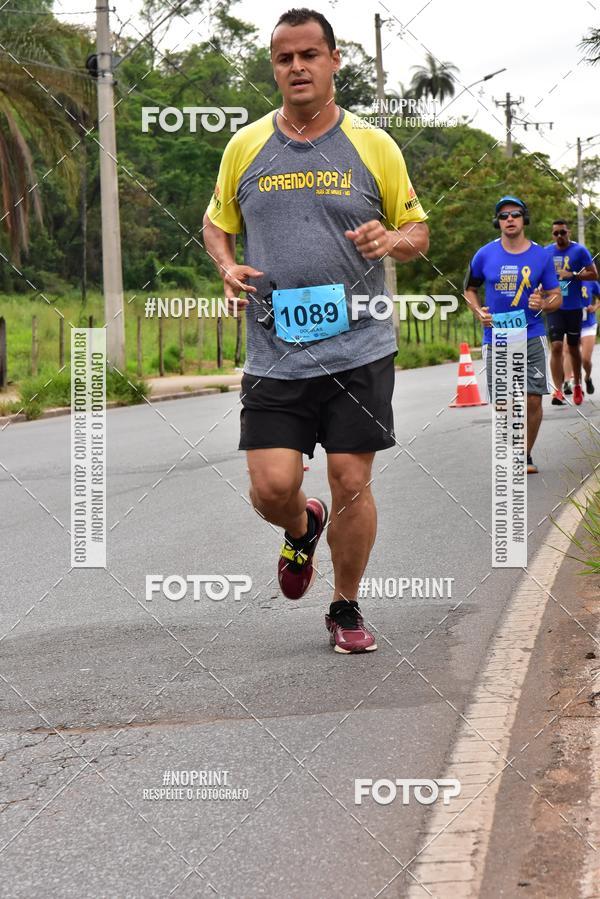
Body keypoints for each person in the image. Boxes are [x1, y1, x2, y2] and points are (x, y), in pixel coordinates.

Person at [202, 8, 429, 653]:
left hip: (359, 344)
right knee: (270, 487)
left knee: (351, 481)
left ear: (334, 61)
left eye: (309, 55)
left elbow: (417, 233)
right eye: (284, 58)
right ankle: (301, 528)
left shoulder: (373, 145)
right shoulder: (245, 145)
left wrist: (391, 239)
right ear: (274, 68)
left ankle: (346, 606)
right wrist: (225, 264)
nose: (297, 67)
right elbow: (217, 222)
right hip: (275, 349)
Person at [464, 196, 561, 475]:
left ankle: (524, 454)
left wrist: (544, 303)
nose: (509, 219)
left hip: (531, 334)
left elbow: (555, 296)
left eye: (515, 214)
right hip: (496, 338)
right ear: (497, 222)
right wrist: (478, 311)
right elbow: (469, 289)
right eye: (503, 215)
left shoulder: (541, 256)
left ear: (524, 219)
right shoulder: (484, 255)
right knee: (504, 402)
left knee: (532, 399)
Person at [545, 220, 598, 406]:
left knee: (574, 349)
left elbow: (594, 275)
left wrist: (573, 275)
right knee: (557, 347)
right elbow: (538, 275)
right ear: (552, 235)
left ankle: (577, 385)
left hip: (575, 308)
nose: (559, 236)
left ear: (569, 232)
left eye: (562, 232)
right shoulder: (546, 252)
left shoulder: (580, 251)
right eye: (556, 233)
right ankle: (557, 390)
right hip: (554, 307)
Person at [563, 279, 600, 395]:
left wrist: (595, 307)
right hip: (570, 323)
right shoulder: (565, 281)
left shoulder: (590, 281)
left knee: (585, 359)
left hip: (587, 325)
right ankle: (568, 382)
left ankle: (587, 378)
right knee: (568, 350)